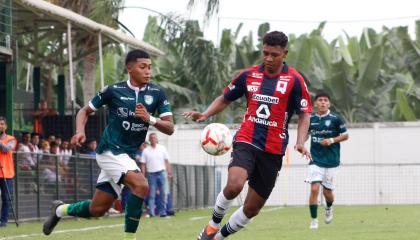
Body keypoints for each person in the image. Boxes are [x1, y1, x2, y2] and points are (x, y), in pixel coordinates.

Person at [183, 31, 312, 240]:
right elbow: (225, 98)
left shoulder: (295, 80)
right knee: (234, 185)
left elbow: (305, 113)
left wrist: (299, 142)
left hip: (273, 150)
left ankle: (217, 238)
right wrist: (205, 114)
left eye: (274, 55)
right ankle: (212, 225)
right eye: (265, 53)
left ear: (285, 54)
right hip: (247, 139)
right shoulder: (248, 75)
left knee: (251, 209)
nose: (268, 59)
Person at [42, 49, 174, 240]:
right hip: (109, 151)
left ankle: (59, 210)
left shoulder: (157, 94)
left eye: (150, 67)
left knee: (97, 209)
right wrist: (80, 131)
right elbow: (84, 111)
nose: (148, 72)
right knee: (141, 185)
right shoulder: (113, 91)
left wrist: (150, 119)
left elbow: (170, 127)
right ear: (130, 68)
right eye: (142, 67)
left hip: (127, 157)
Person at [305, 92, 349, 229]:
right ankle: (313, 220)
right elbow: (305, 134)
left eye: (325, 100)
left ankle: (329, 208)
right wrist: (300, 144)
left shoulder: (336, 119)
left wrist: (331, 140)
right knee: (314, 188)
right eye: (320, 100)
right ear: (316, 103)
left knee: (327, 193)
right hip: (315, 160)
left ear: (329, 103)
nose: (323, 102)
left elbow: (346, 135)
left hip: (332, 161)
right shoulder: (310, 118)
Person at [140, 133, 172, 217]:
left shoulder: (162, 148)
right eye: (151, 138)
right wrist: (143, 176)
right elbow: (143, 164)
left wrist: (169, 172)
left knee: (163, 193)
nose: (153, 139)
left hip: (162, 172)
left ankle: (162, 212)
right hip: (151, 174)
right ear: (149, 140)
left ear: (157, 139)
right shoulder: (146, 151)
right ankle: (151, 212)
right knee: (152, 194)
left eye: (154, 138)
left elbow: (167, 161)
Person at [0, 116, 17, 228]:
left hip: (7, 174)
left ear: (5, 126)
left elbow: (6, 149)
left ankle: (3, 221)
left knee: (6, 198)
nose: (0, 126)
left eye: (2, 124)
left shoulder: (12, 139)